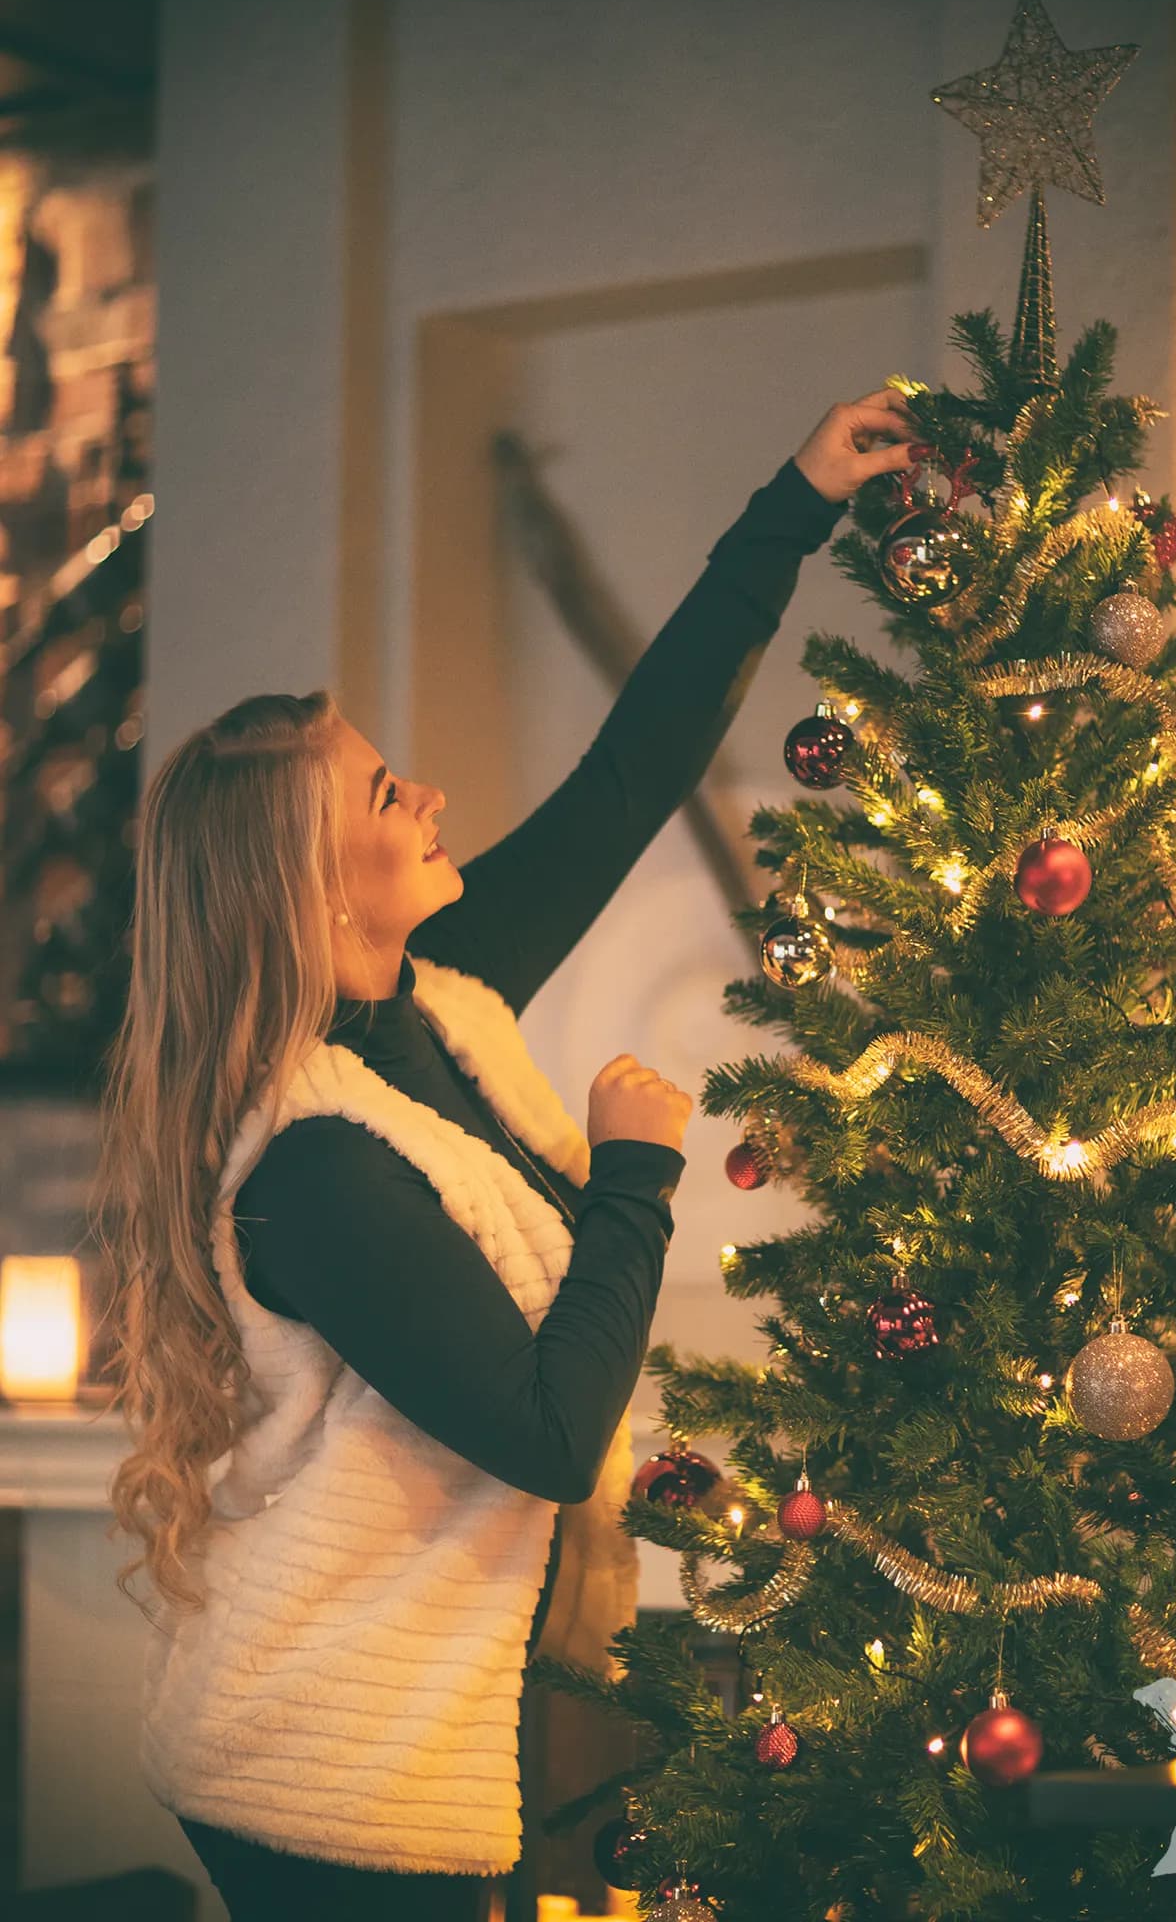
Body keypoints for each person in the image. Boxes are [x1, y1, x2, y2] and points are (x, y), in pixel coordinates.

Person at [93, 391, 913, 1919]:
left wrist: (795, 499)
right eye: (387, 795)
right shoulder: (311, 1165)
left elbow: (629, 774)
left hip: (426, 1709)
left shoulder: (439, 997)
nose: (434, 798)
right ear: (310, 888)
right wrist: (636, 1175)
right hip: (322, 1754)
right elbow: (543, 1429)